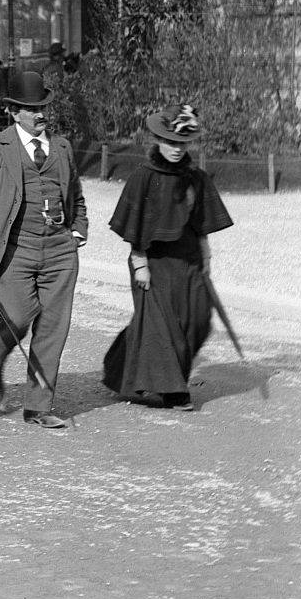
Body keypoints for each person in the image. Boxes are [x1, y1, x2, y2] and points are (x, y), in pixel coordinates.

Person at [0, 65, 88, 430]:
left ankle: (39, 406)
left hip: (61, 252)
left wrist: (77, 231)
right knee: (15, 318)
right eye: (31, 108)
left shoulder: (62, 148)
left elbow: (77, 197)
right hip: (15, 250)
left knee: (53, 327)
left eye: (43, 107)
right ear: (13, 112)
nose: (40, 114)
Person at [102, 102, 235, 410]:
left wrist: (206, 260)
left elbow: (201, 224)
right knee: (163, 327)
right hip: (153, 262)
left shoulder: (196, 177)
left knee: (196, 321)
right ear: (159, 141)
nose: (177, 148)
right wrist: (140, 264)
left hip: (188, 260)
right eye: (171, 142)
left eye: (182, 143)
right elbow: (135, 227)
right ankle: (173, 390)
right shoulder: (143, 177)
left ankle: (120, 371)